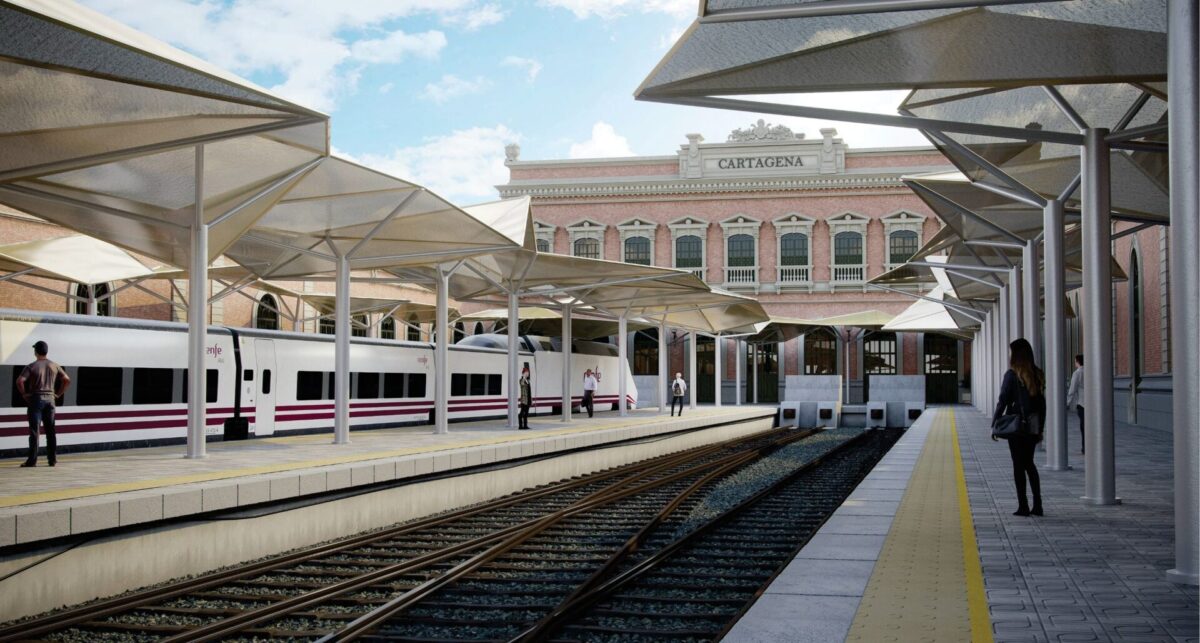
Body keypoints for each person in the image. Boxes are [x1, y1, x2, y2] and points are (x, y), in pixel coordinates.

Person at [993, 338, 1045, 517]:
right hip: (1031, 427)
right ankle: (1037, 505)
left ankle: (1023, 506)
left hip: (1016, 427)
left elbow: (1003, 400)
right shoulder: (1037, 373)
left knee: (1018, 465)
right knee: (1029, 464)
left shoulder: (1011, 375)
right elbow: (1041, 405)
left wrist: (995, 423)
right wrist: (1040, 429)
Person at [15, 340, 70, 467]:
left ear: (36, 352)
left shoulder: (32, 366)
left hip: (36, 400)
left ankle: (32, 461)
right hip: (50, 400)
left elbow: (20, 381)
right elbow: (67, 379)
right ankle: (52, 460)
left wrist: (24, 394)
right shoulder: (54, 365)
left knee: (35, 431)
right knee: (51, 430)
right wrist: (58, 394)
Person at [1066, 354, 1084, 454]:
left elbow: (1072, 390)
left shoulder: (1077, 373)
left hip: (1082, 403)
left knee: (1083, 426)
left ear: (1077, 361)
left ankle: (1085, 447)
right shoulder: (1091, 371)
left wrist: (1067, 403)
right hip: (1093, 404)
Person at [518, 366, 532, 430]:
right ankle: (520, 426)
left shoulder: (528, 380)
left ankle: (525, 426)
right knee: (521, 413)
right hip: (524, 400)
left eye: (528, 373)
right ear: (523, 373)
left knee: (526, 413)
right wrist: (523, 377)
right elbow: (522, 384)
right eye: (526, 372)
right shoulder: (521, 380)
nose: (527, 374)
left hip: (528, 399)